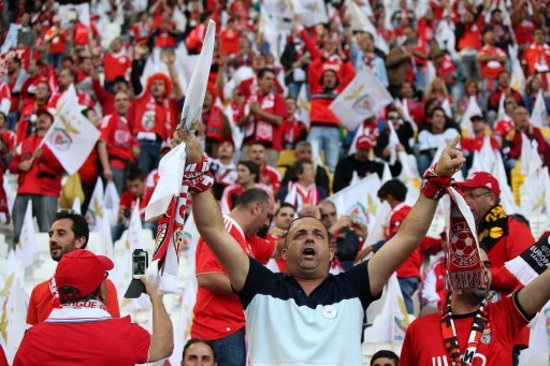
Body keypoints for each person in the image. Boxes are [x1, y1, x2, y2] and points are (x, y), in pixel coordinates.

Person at [181, 128, 464, 365]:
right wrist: (196, 164)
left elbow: (406, 238)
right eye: (299, 234)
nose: (308, 237)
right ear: (285, 250)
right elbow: (212, 229)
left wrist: (434, 183)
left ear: (331, 253)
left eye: (317, 234)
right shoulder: (259, 284)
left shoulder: (354, 286)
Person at [15, 250, 173, 365]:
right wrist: (156, 297)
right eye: (105, 276)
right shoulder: (123, 333)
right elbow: (164, 346)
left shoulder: (33, 339)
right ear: (103, 290)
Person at [399, 247, 550, 366]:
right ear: (452, 274)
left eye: (487, 265)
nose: (484, 270)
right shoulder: (419, 329)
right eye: (475, 264)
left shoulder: (504, 315)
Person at [191, 188, 275, 366]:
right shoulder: (225, 230)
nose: (267, 223)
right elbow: (206, 276)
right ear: (256, 208)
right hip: (219, 329)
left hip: (231, 329)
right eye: (268, 215)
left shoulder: (245, 237)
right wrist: (249, 287)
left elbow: (280, 248)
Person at [26, 211, 120, 325]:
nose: (52, 239)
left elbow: (112, 330)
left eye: (61, 233)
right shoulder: (38, 291)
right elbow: (32, 337)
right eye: (51, 234)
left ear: (80, 241)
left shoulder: (102, 286)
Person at [459, 172, 535, 295]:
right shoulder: (469, 233)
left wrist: (477, 275)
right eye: (464, 197)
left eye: (472, 196)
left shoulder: (514, 228)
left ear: (491, 199)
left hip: (503, 310)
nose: (466, 202)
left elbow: (525, 272)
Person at [9, 108, 65, 246]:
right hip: (24, 191)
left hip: (47, 191)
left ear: (52, 123)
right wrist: (19, 166)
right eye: (39, 116)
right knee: (18, 232)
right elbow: (12, 164)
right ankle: (15, 261)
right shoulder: (24, 143)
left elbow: (64, 165)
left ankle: (46, 264)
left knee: (48, 232)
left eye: (46, 117)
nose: (42, 119)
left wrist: (44, 156)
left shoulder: (59, 142)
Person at [318, 200, 368, 271]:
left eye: (333, 214)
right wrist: (332, 230)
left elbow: (362, 257)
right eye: (324, 216)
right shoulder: (316, 236)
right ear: (319, 218)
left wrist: (365, 237)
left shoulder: (349, 233)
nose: (330, 219)